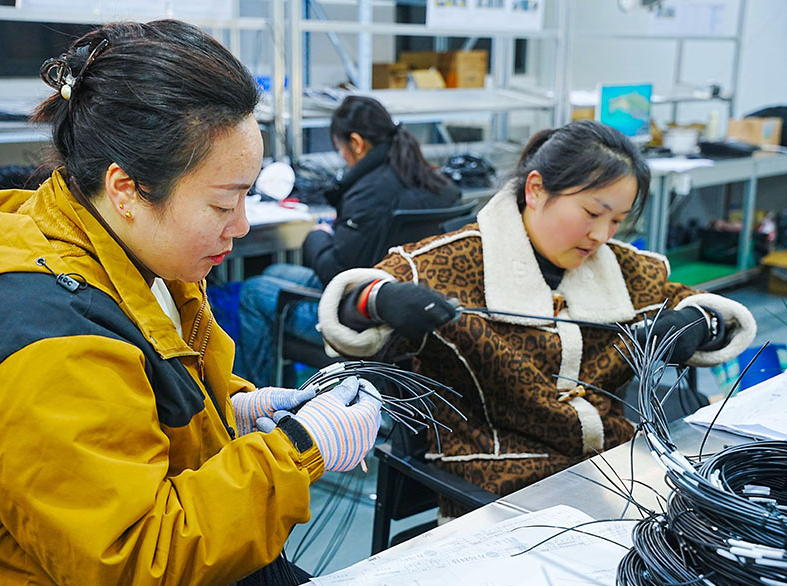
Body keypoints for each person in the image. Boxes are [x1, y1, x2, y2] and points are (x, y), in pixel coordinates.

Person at [0, 21, 382, 586]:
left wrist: (232, 412)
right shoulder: (42, 337)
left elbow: (132, 410)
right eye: (222, 203)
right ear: (125, 189)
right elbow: (136, 563)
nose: (241, 226)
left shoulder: (138, 260)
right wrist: (296, 450)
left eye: (247, 196)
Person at [315, 120, 756, 519]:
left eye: (617, 221)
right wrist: (380, 299)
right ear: (536, 190)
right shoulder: (449, 262)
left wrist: (700, 323)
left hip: (614, 471)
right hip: (497, 493)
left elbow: (716, 314)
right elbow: (349, 310)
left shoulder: (624, 270)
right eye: (592, 213)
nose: (601, 236)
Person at [234, 95, 461, 386]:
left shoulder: (368, 193)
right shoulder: (435, 181)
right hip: (411, 305)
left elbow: (335, 271)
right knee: (274, 272)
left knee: (253, 293)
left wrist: (317, 235)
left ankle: (258, 398)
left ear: (356, 143)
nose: (342, 156)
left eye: (340, 148)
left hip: (362, 318)